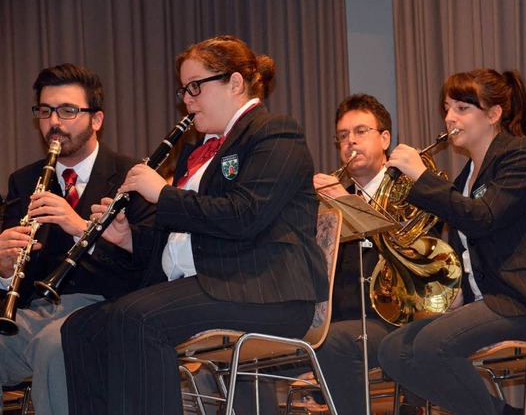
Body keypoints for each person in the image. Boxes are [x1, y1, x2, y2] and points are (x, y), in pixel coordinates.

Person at [60, 35, 327, 415]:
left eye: (195, 87)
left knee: (137, 318)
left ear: (235, 83)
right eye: (184, 89)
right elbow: (187, 239)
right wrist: (128, 239)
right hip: (213, 283)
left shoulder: (275, 132)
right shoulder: (198, 151)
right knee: (81, 328)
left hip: (267, 291)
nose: (186, 100)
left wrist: (162, 194)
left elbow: (243, 216)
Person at [377, 69, 526, 415]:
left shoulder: (524, 155)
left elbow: (482, 219)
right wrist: (460, 294)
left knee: (434, 345)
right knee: (393, 350)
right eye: (447, 109)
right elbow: (473, 249)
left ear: (494, 115)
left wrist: (421, 177)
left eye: (462, 109)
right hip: (501, 303)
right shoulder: (466, 176)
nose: (450, 117)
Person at [0, 63, 154, 415]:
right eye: (45, 111)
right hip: (36, 313)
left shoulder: (134, 177)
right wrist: (5, 268)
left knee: (57, 346)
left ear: (96, 119)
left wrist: (80, 226)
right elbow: (19, 283)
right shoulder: (24, 181)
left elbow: (147, 267)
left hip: (109, 308)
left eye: (68, 111)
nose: (54, 122)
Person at [312, 93, 398, 414]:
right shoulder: (334, 198)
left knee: (331, 343)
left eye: (361, 132)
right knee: (255, 343)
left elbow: (408, 249)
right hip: (340, 322)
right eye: (343, 136)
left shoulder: (411, 188)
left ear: (384, 138)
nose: (351, 142)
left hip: (392, 321)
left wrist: (347, 206)